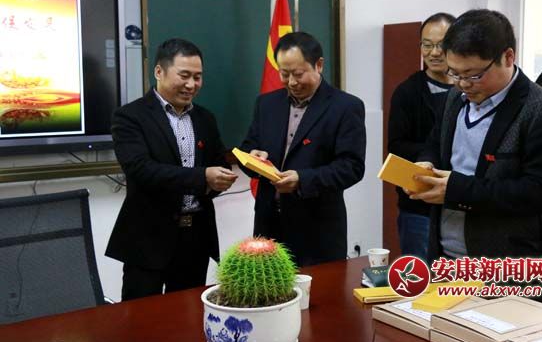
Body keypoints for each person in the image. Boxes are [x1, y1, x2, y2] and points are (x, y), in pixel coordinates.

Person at [410, 9, 542, 305]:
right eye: (454, 73)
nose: (463, 84)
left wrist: (457, 190)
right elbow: (436, 142)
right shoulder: (455, 98)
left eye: (474, 75)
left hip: (506, 269)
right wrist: (427, 162)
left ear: (508, 57)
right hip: (447, 259)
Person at [106, 38, 238, 301]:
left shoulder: (205, 118)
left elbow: (218, 163)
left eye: (198, 77)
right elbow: (141, 170)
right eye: (184, 76)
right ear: (159, 71)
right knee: (142, 318)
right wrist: (202, 177)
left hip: (195, 238)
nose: (191, 84)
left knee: (188, 316)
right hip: (148, 239)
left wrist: (224, 176)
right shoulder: (130, 116)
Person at [240, 31, 366, 267]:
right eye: (284, 74)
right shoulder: (267, 103)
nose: (291, 82)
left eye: (298, 74)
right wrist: (253, 156)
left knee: (320, 290)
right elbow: (248, 146)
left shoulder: (345, 107)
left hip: (317, 231)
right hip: (269, 225)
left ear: (319, 65)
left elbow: (352, 167)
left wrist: (302, 180)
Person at [388, 12, 456, 260]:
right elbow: (397, 146)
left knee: (460, 279)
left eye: (441, 45)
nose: (434, 53)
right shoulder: (407, 92)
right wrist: (436, 158)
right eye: (427, 45)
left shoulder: (470, 90)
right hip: (419, 208)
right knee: (419, 275)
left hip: (460, 202)